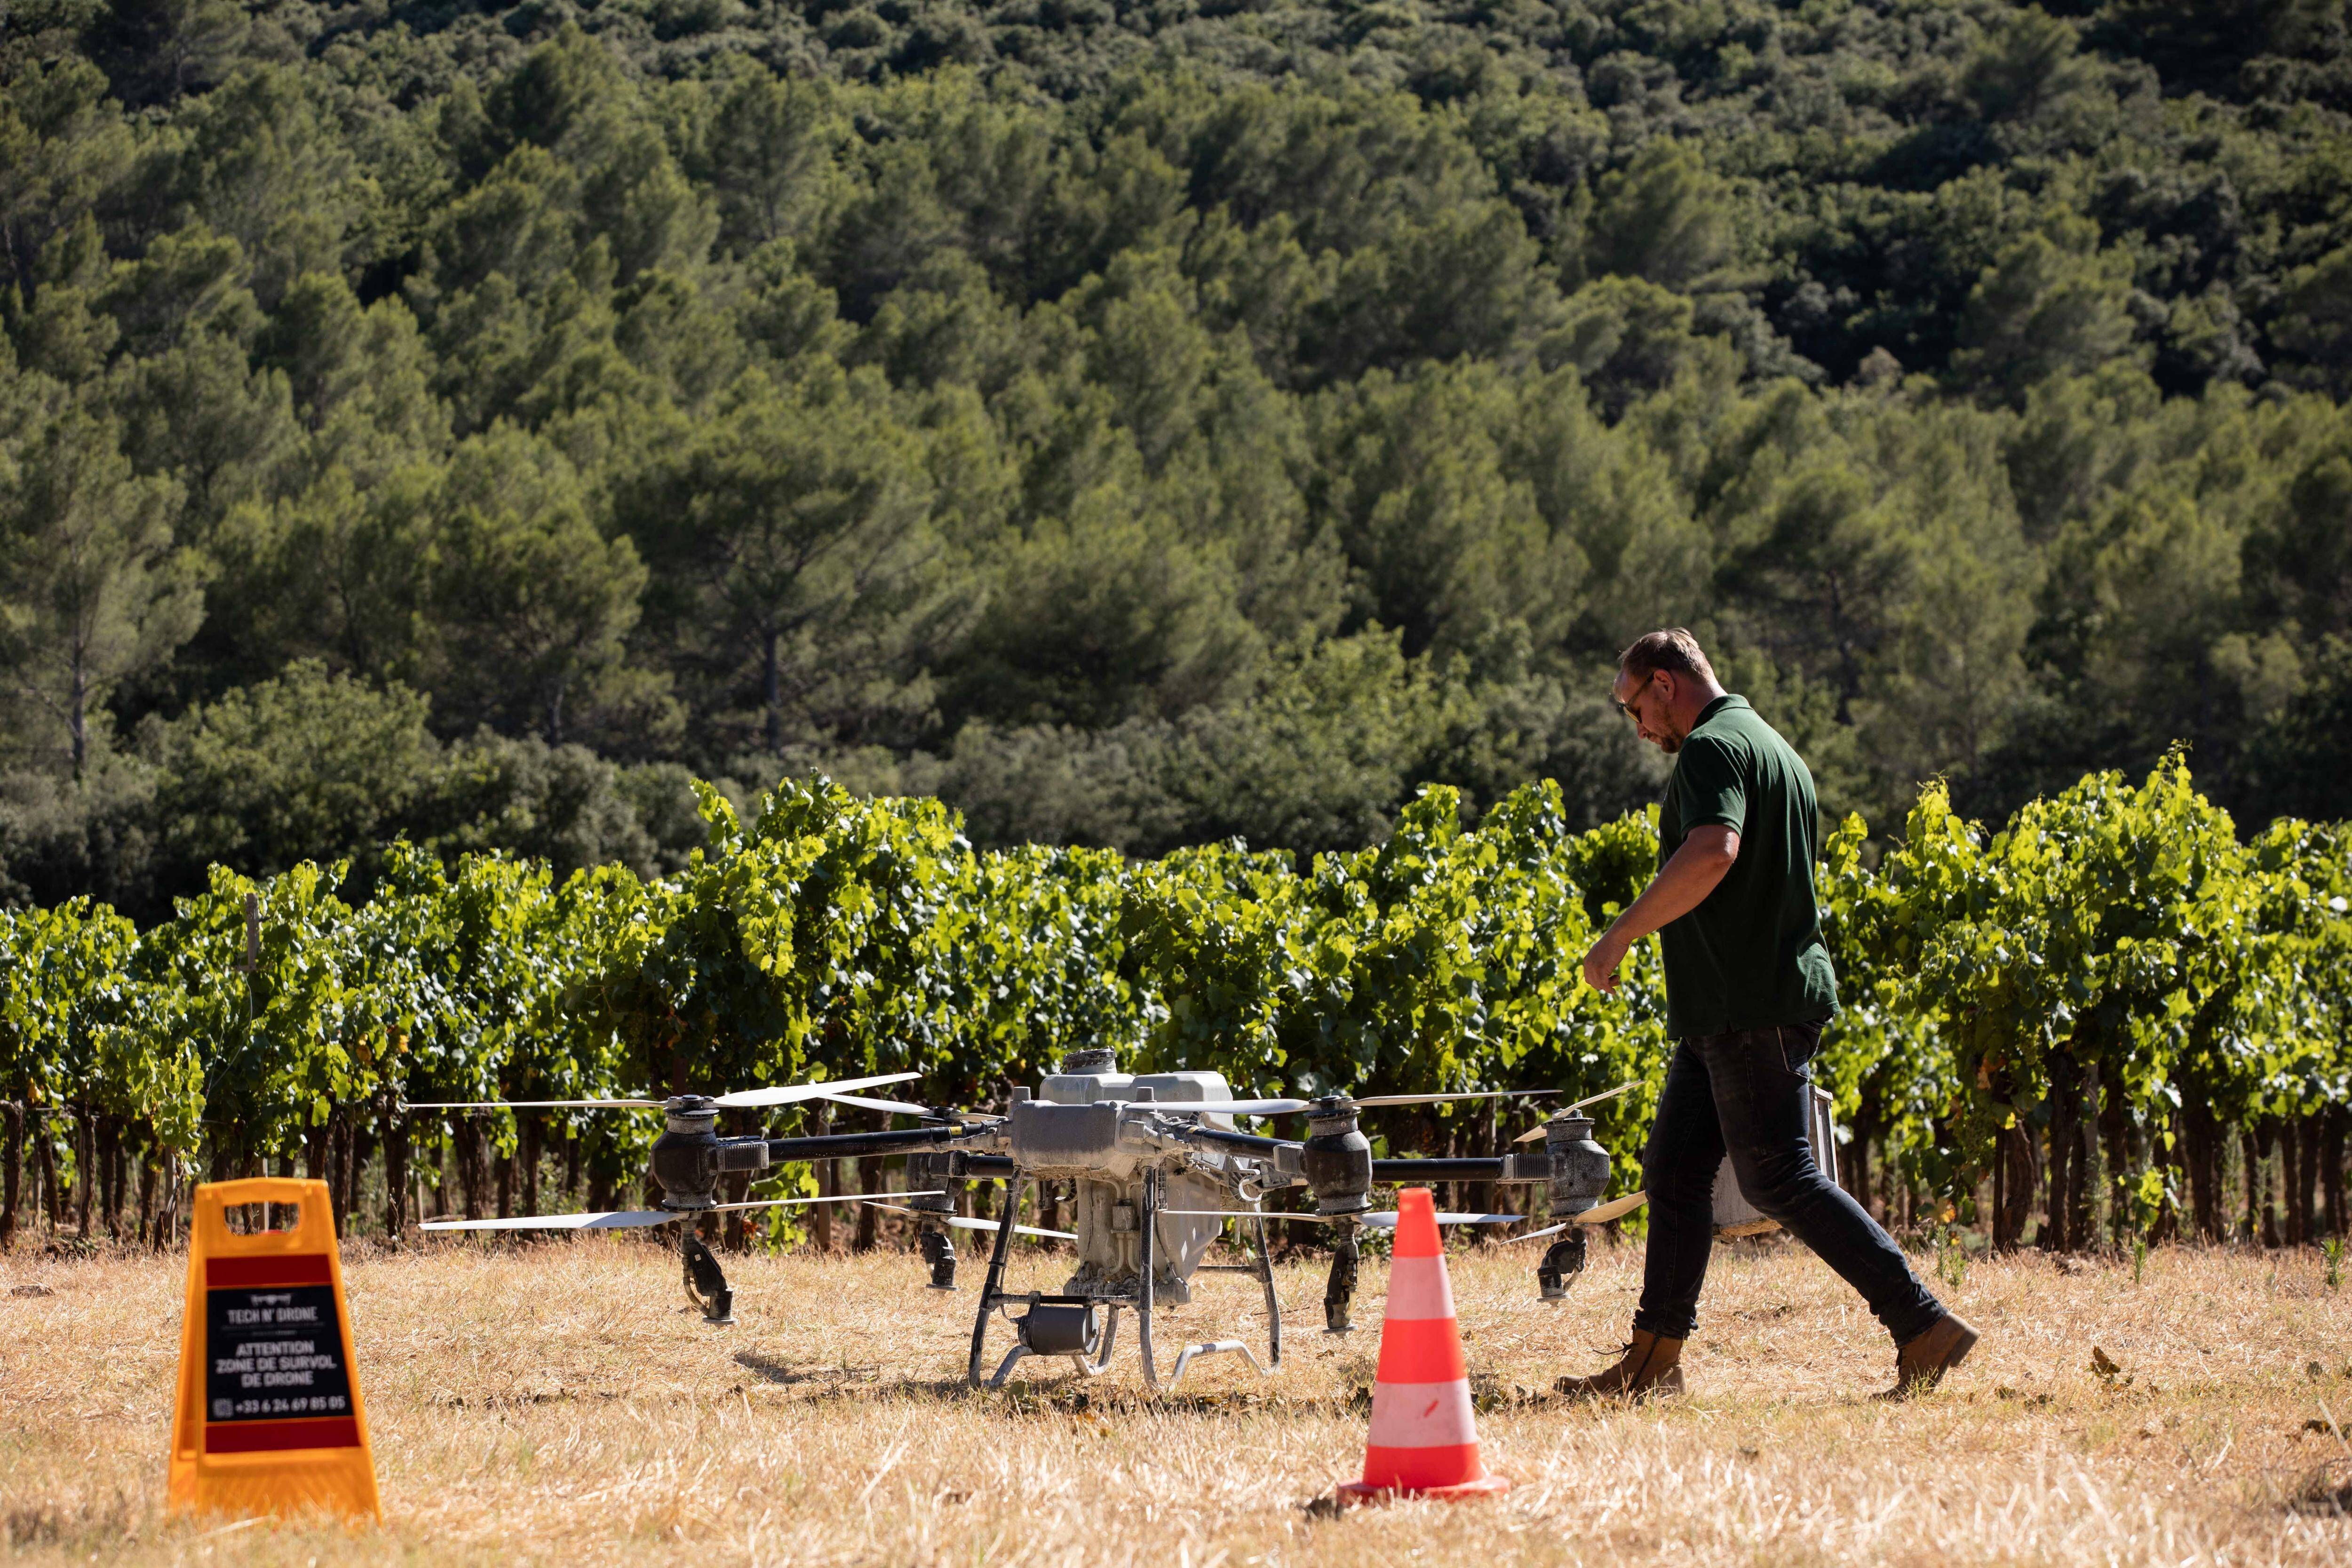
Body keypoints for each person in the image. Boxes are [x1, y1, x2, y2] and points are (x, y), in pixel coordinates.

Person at [1558, 629, 1978, 1400]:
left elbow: (1715, 849)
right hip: (1729, 1006)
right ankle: (1653, 1362)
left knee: (1780, 1174)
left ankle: (1921, 1322)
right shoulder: (1772, 746)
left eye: (1635, 710)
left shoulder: (1713, 748)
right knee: (1675, 1174)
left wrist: (1620, 932)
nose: (1641, 729)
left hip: (1747, 1003)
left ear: (1663, 683)